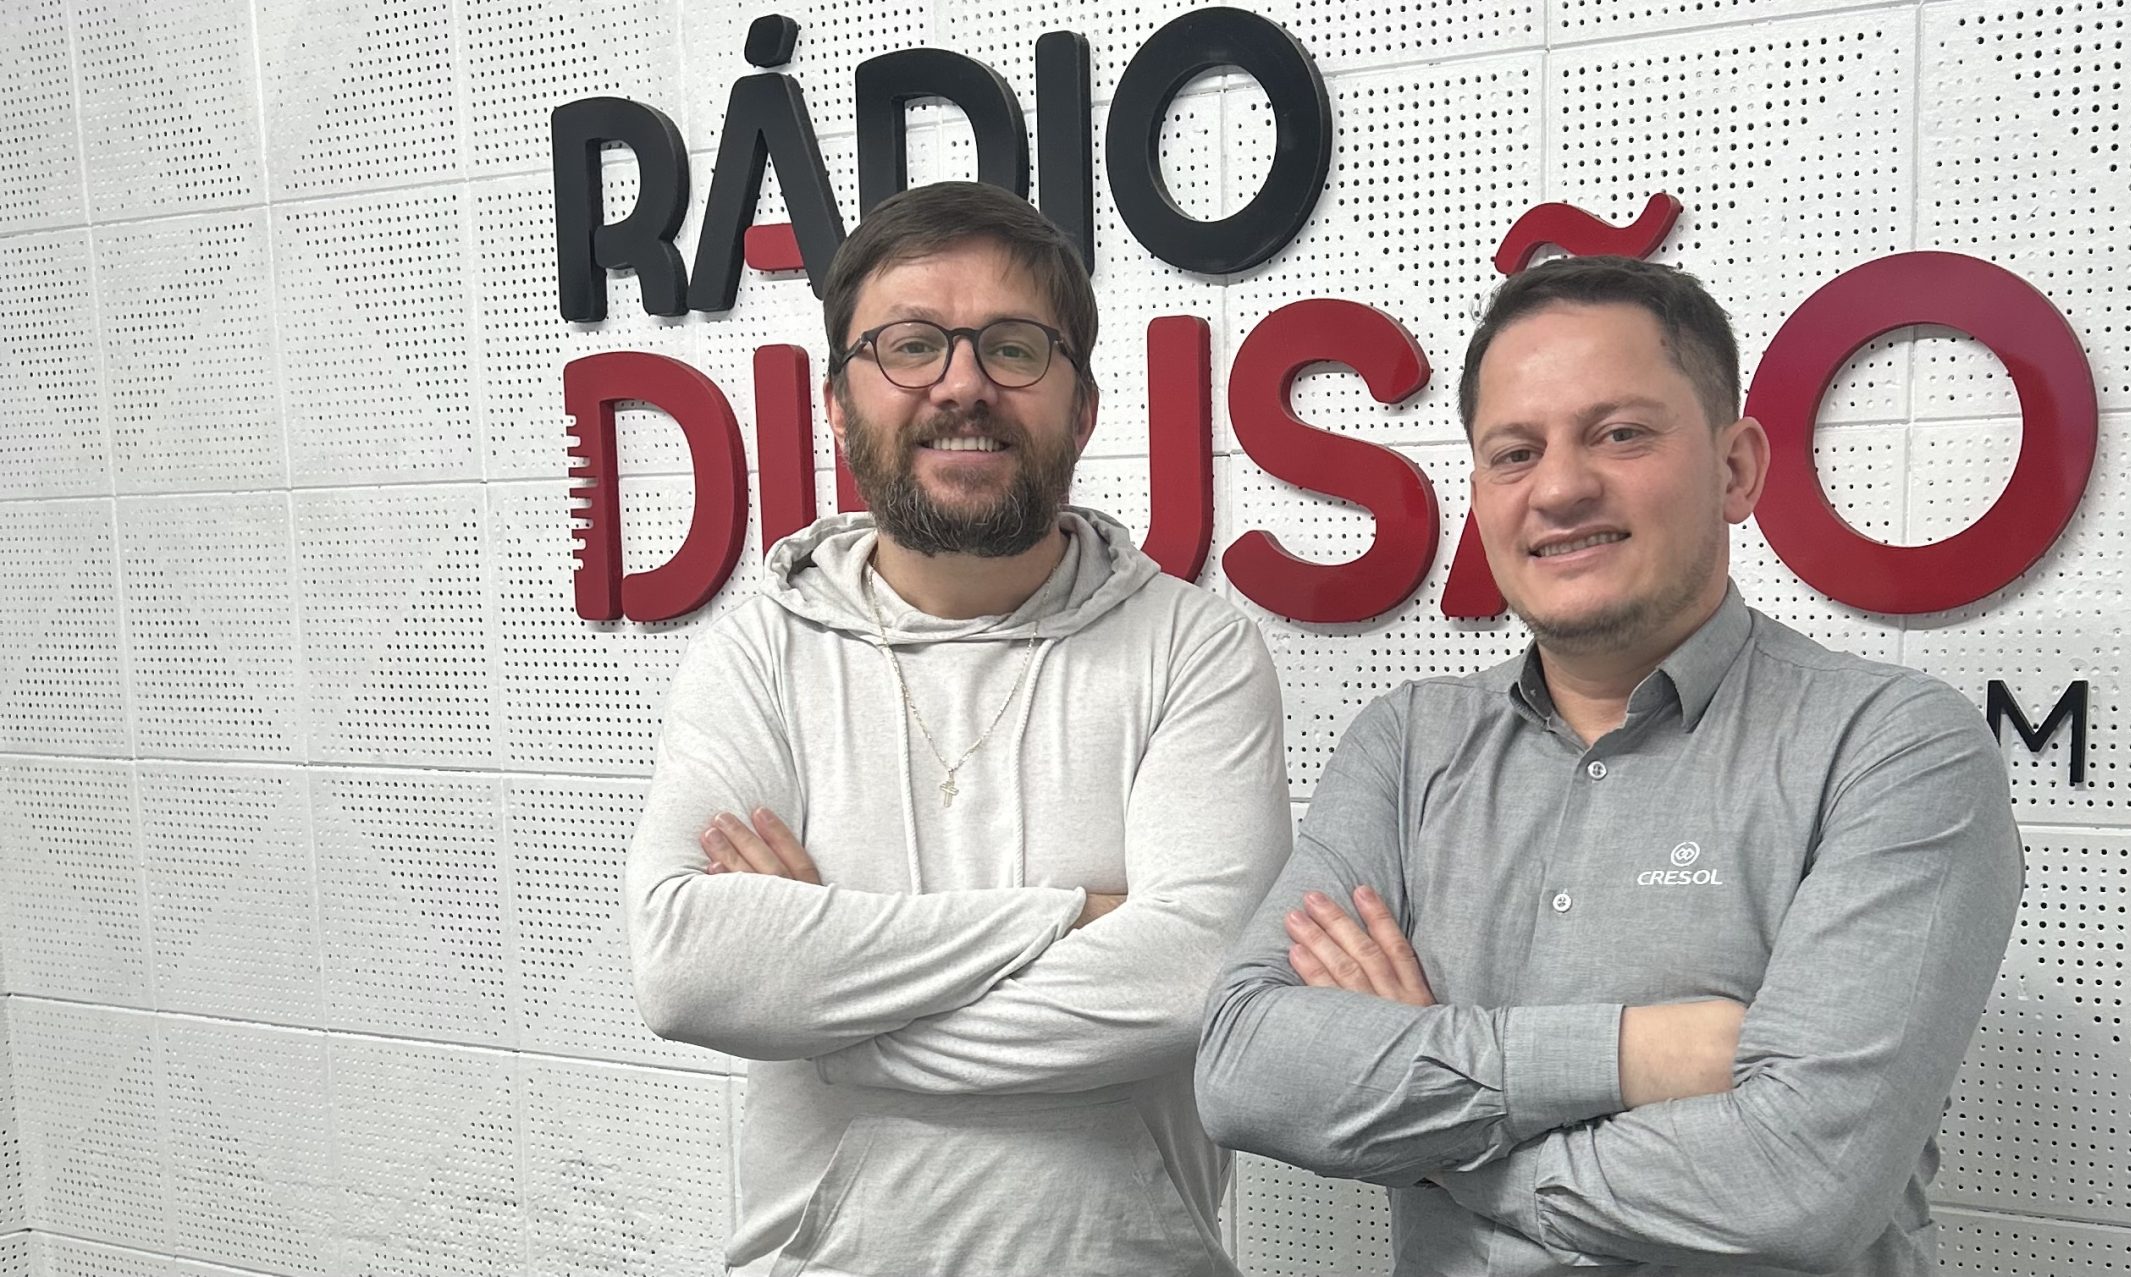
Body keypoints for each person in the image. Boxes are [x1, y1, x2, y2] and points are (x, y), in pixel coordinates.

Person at [1195, 254, 2023, 1276]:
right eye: (1514, 452)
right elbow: (1243, 1065)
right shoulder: (1406, 745)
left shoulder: (1893, 746)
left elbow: (1801, 1180)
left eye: (1620, 433)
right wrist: (1636, 1054)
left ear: (1735, 469)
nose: (1560, 488)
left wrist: (1429, 1125)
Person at [626, 180, 1291, 1277]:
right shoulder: (759, 652)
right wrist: (1068, 915)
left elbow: (1197, 974)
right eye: (910, 346)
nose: (963, 384)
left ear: (1084, 407)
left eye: (1014, 348)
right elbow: (688, 969)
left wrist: (832, 1016)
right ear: (836, 405)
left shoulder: (1194, 647)